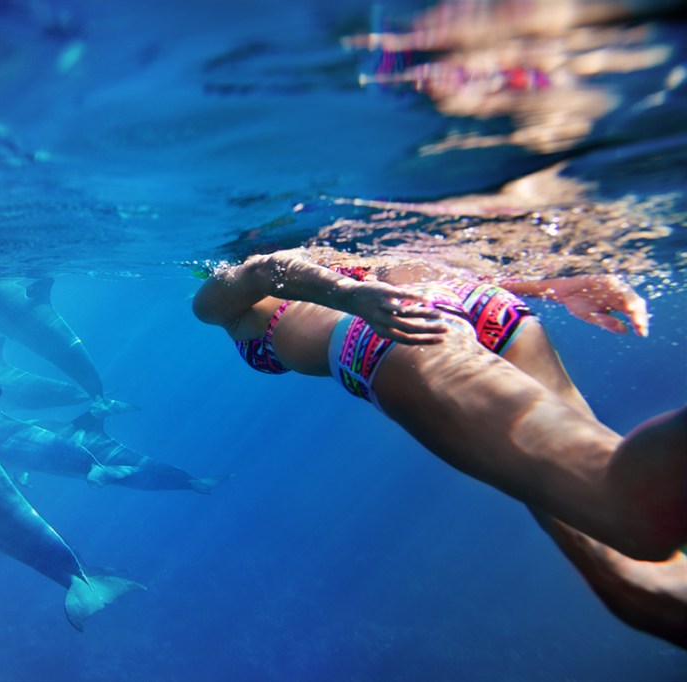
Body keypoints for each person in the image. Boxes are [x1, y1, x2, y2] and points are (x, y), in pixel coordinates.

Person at [193, 246, 686, 647]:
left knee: (630, 515)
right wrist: (554, 287)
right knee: (622, 574)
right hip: (476, 303)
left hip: (390, 330)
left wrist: (351, 298)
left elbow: (261, 269)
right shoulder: (349, 246)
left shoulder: (220, 296)